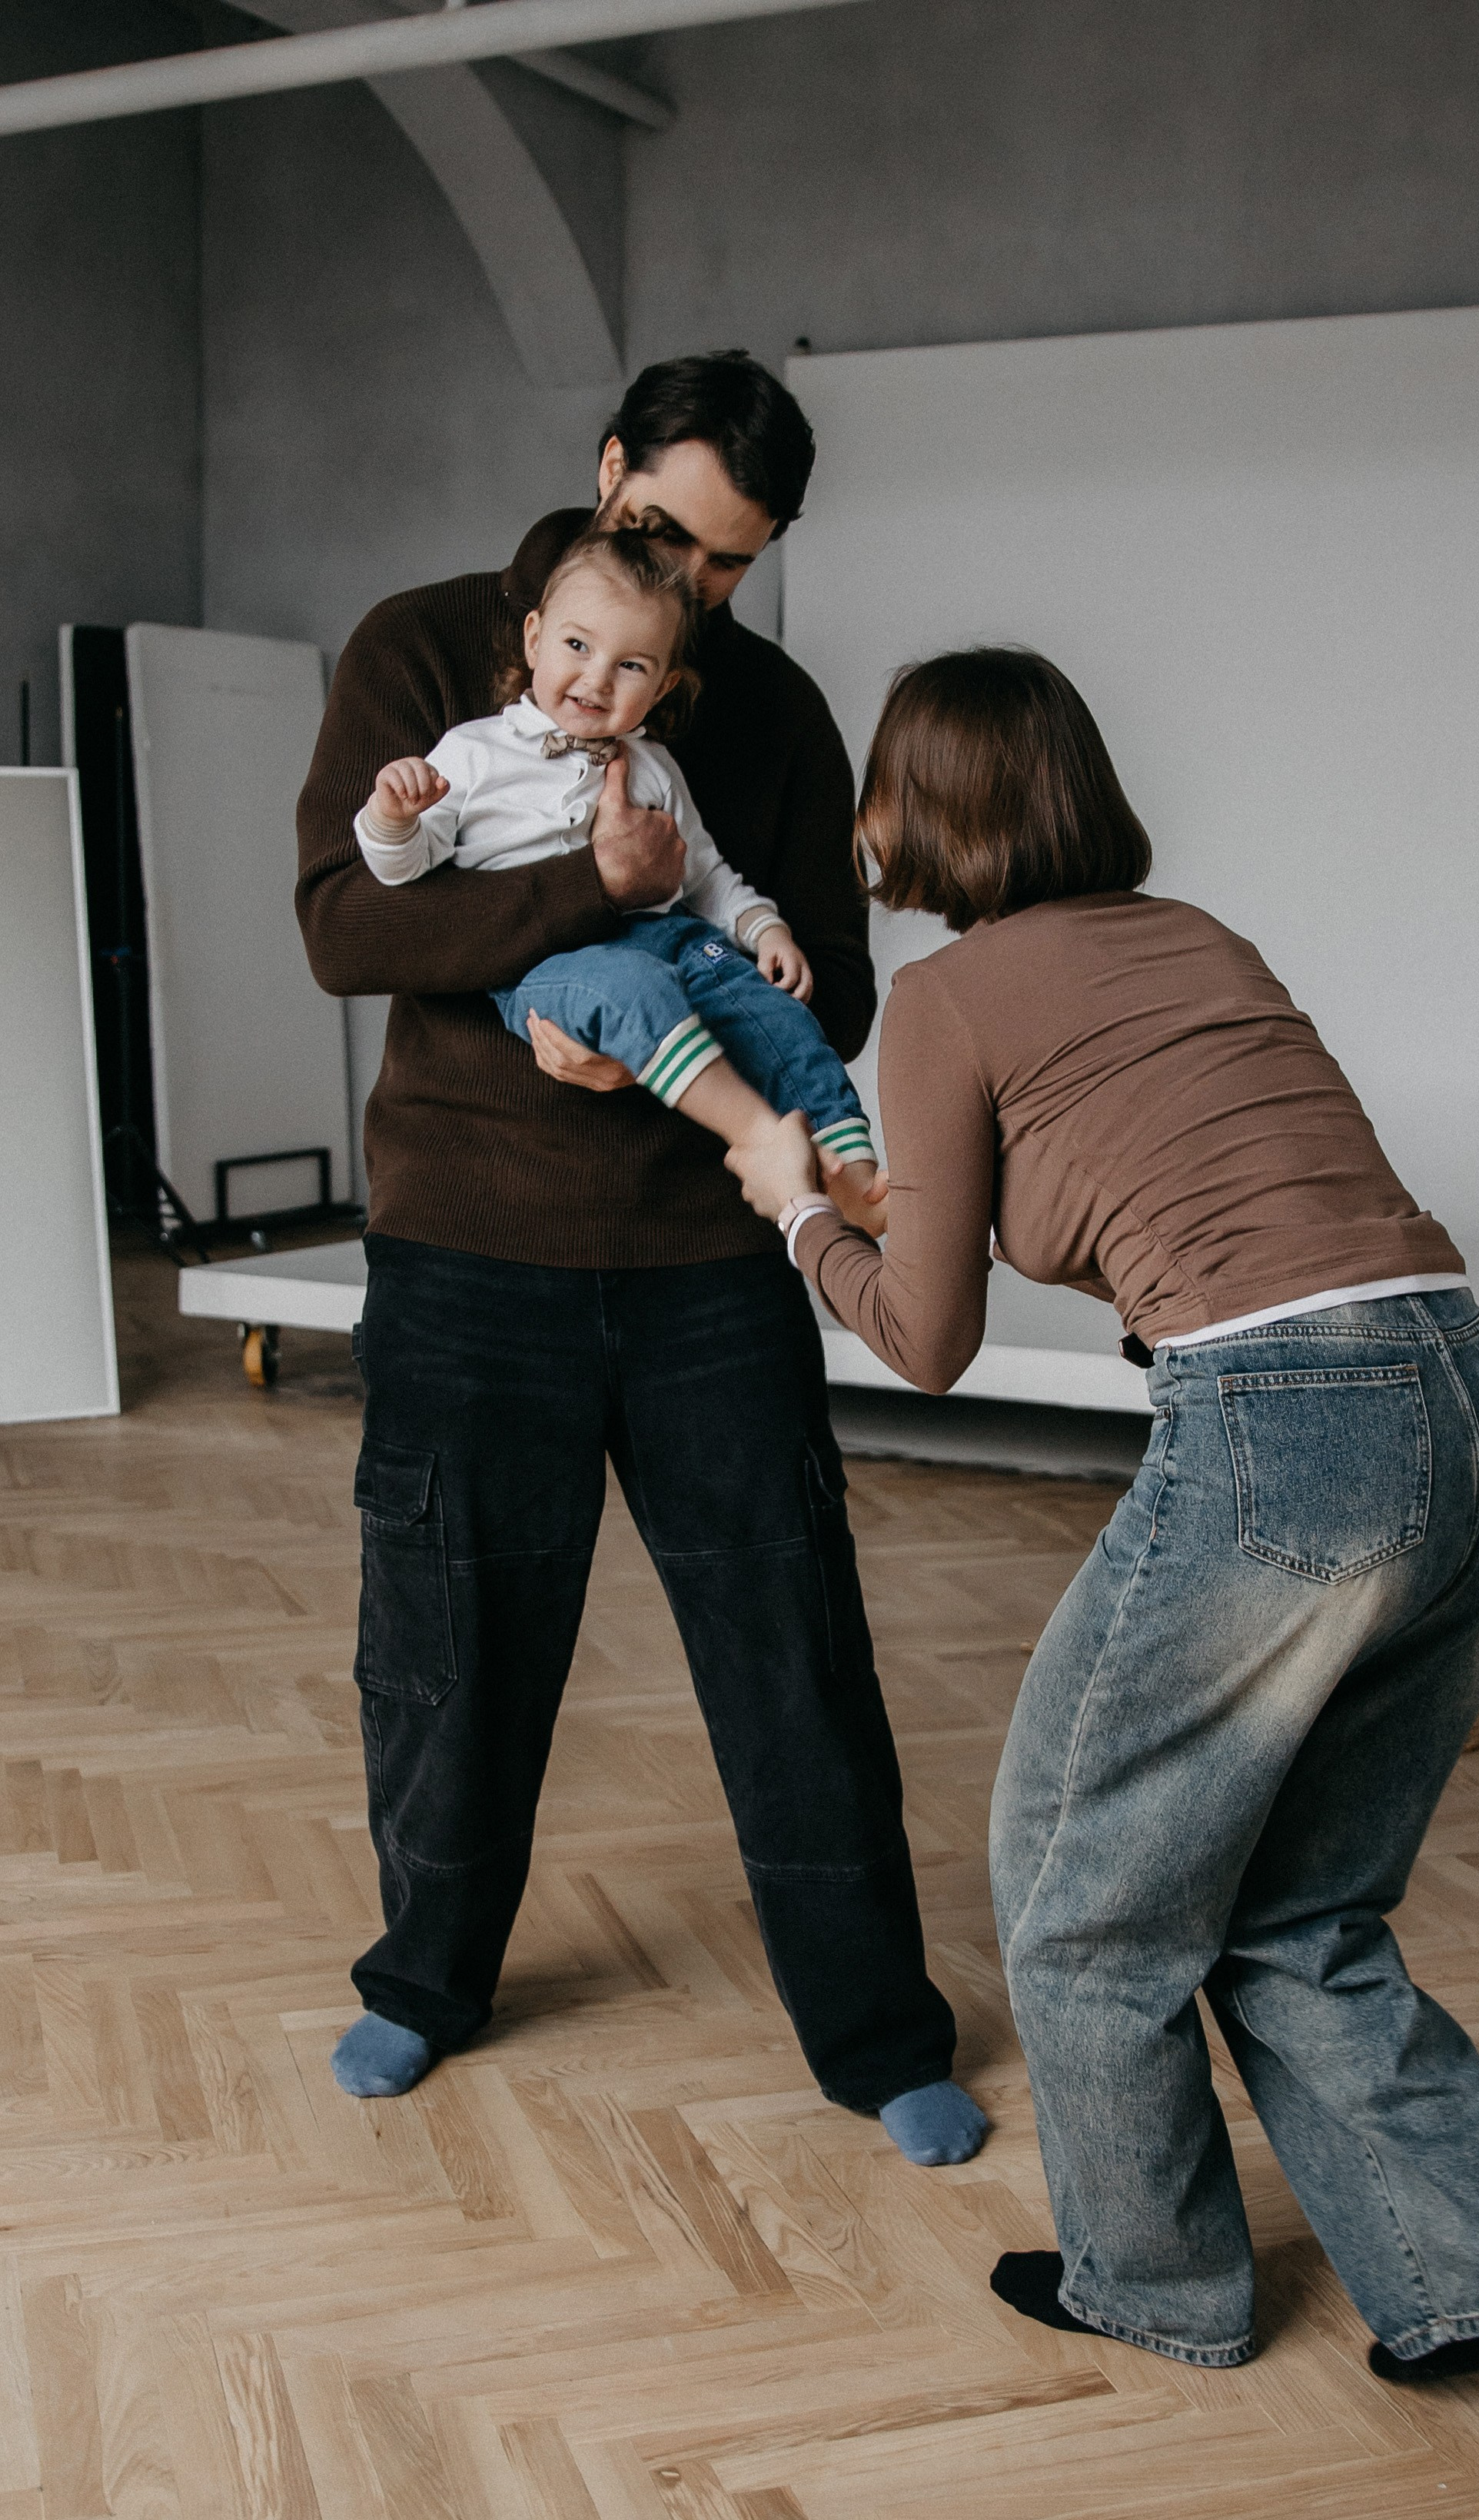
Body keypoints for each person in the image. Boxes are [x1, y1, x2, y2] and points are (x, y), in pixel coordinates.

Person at [728, 647, 1479, 2374]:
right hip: (1473, 1405)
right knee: (1301, 1902)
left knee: (1079, 1888)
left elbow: (927, 1338)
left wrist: (794, 1214)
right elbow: (1113, 1176)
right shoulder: (1198, 941)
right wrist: (894, 1198)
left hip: (1290, 1432)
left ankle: (1160, 2280)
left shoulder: (947, 997)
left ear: (924, 808)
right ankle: (1466, 2272)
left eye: (882, 783)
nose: (865, 815)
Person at [295, 351, 985, 2171]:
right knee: (446, 1643)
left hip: (706, 1255)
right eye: (664, 533)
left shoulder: (764, 704)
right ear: (603, 475)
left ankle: (875, 2032)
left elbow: (822, 966)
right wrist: (575, 935)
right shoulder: (424, 646)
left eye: (736, 563)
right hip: (466, 1239)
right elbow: (345, 922)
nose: (693, 584)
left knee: (792, 1645)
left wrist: (728, 979)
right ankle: (427, 1980)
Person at [356, 525, 881, 1215]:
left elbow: (705, 872)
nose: (598, 680)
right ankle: (754, 1135)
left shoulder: (654, 765)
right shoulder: (471, 752)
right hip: (546, 964)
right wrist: (393, 819)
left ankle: (854, 1172)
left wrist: (765, 927)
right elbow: (405, 870)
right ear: (534, 637)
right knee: (630, 987)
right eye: (577, 646)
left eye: (631, 666)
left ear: (662, 684)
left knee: (765, 1004)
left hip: (672, 943)